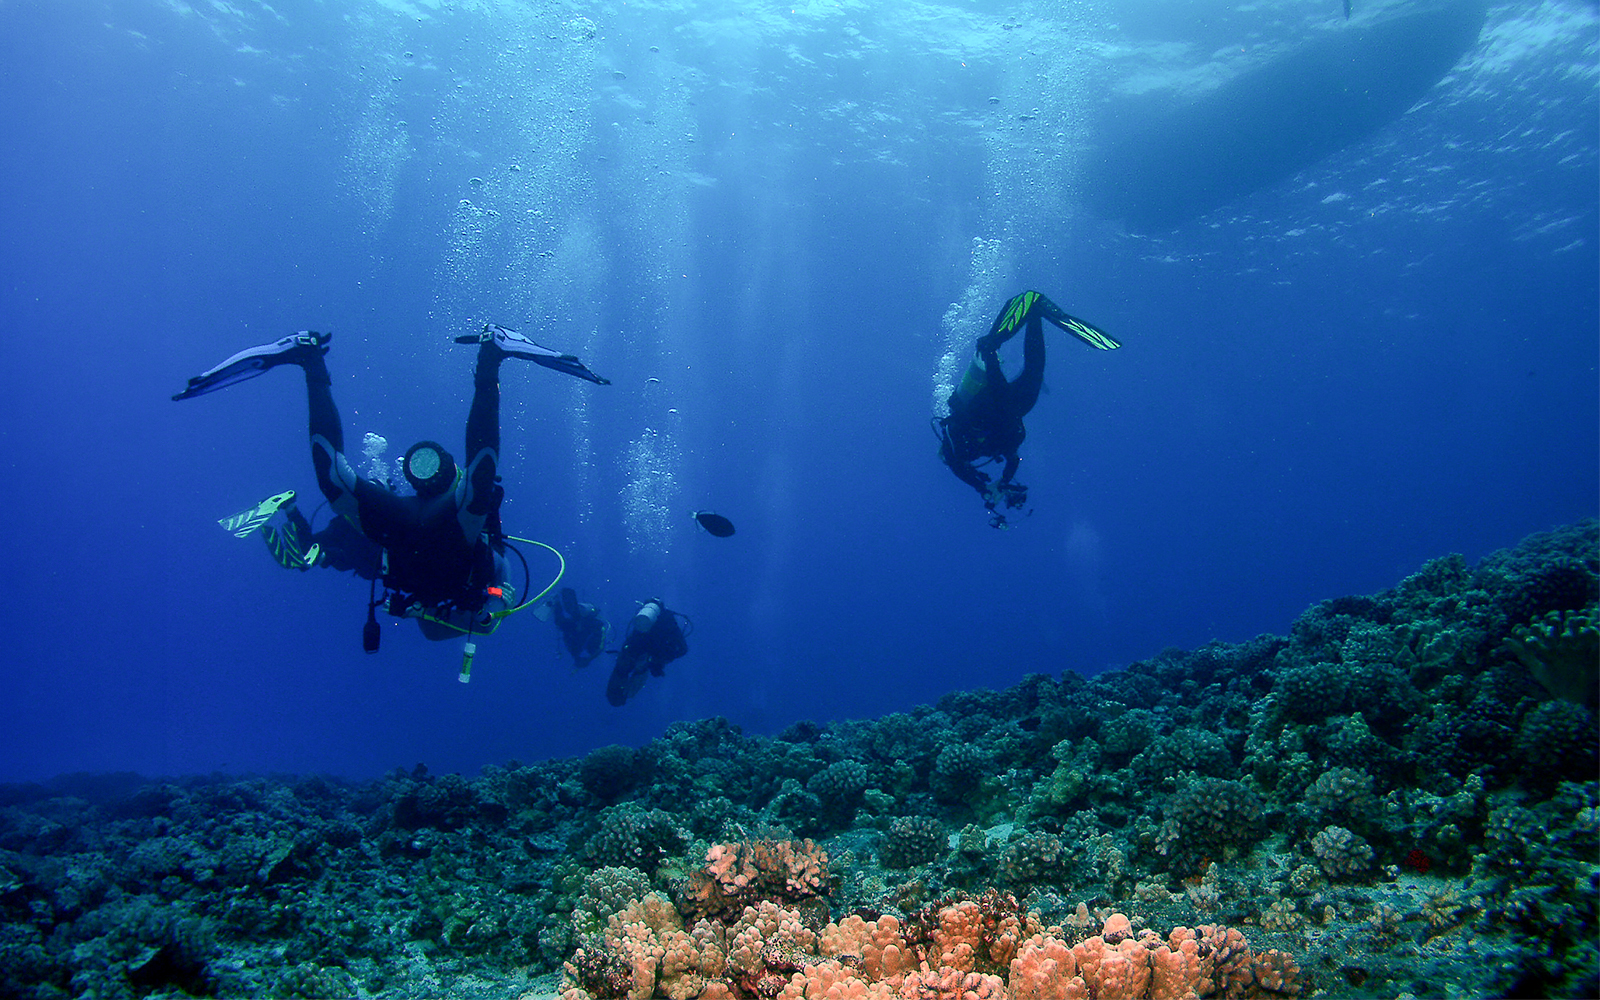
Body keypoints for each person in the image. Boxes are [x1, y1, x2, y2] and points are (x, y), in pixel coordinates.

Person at [175, 324, 609, 642]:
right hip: (440, 529)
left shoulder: (449, 571)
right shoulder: (484, 575)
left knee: (346, 482)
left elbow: (467, 619)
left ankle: (311, 360)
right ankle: (488, 356)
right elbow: (485, 616)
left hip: (408, 521)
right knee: (341, 483)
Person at [932, 290, 1120, 528]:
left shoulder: (955, 447)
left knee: (1003, 388)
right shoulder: (982, 452)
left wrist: (982, 488)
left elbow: (957, 466)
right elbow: (1013, 460)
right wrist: (1001, 483)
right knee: (1034, 374)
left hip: (989, 407)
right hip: (1011, 411)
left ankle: (990, 348)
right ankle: (1035, 315)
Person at [220, 488, 382, 578]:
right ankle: (322, 556)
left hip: (345, 523)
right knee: (355, 564)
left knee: (308, 545)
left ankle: (290, 507)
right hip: (366, 536)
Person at [606, 598, 689, 706]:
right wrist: (659, 661)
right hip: (651, 653)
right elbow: (682, 649)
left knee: (622, 668)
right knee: (640, 669)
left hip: (636, 649)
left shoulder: (642, 617)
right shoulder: (667, 618)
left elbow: (631, 638)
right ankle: (625, 694)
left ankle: (615, 696)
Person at [538, 586, 609, 670]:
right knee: (566, 619)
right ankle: (559, 601)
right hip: (581, 628)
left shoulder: (577, 649)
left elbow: (566, 632)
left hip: (580, 629)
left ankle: (558, 601)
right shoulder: (586, 647)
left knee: (562, 621)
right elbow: (599, 647)